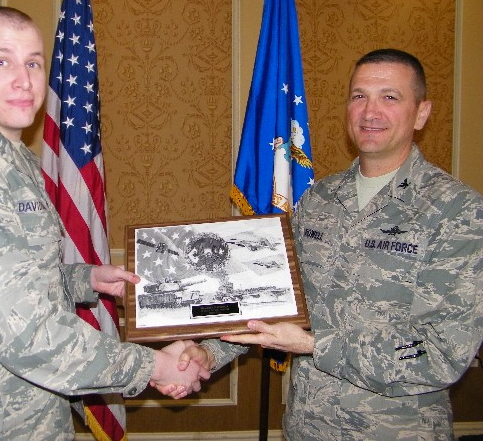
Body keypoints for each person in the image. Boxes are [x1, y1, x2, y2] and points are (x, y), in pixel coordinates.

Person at [0, 7, 210, 440]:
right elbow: (25, 333)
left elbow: (18, 276)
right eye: (2, 61)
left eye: (34, 62)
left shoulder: (11, 159)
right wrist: (156, 365)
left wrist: (86, 279)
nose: (23, 79)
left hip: (35, 418)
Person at [176, 48, 483, 440]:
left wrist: (313, 344)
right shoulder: (319, 199)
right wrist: (208, 353)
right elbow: (273, 299)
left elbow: (441, 352)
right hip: (307, 427)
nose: (370, 112)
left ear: (421, 113)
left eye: (390, 97)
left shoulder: (458, 211)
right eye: (359, 96)